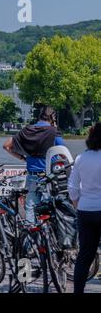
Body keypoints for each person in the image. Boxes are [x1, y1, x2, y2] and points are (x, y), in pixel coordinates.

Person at [3, 106, 65, 225]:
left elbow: (6, 145)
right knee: (51, 206)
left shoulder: (27, 130)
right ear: (52, 117)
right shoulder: (53, 131)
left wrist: (23, 158)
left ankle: (31, 237)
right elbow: (63, 152)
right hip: (49, 176)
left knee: (31, 206)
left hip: (32, 175)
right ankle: (50, 236)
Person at [68, 122, 101, 293]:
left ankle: (78, 291)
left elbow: (72, 187)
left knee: (84, 256)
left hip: (86, 211)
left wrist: (78, 205)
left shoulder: (81, 158)